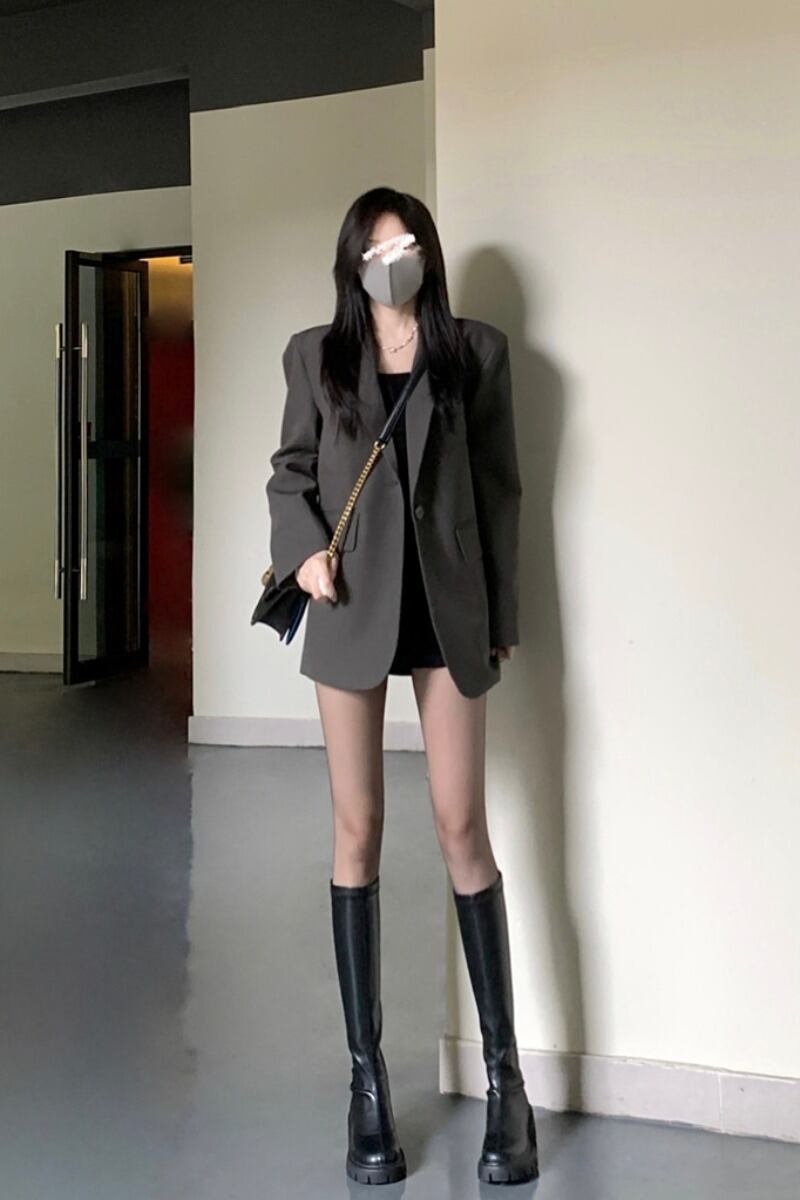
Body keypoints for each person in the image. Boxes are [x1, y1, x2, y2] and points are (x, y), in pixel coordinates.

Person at [265, 187, 538, 1185]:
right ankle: (366, 1086)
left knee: (461, 826)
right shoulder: (316, 356)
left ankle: (505, 1086)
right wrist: (303, 554)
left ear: (428, 251)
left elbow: (501, 492)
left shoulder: (473, 353)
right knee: (358, 826)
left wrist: (502, 617)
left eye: (408, 243)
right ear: (352, 262)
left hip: (447, 609)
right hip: (350, 606)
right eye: (377, 249)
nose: (395, 260)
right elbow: (289, 473)